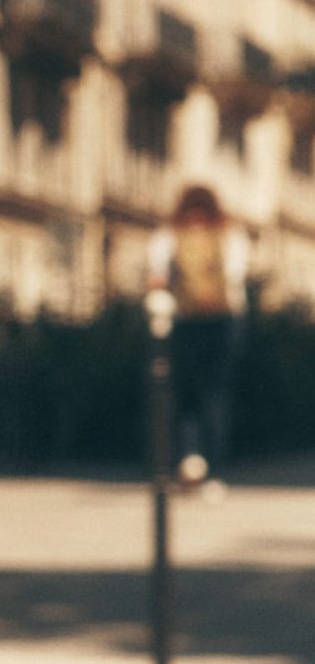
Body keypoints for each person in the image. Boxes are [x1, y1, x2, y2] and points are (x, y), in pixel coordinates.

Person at [147, 182, 249, 496]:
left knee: (181, 397)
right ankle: (213, 473)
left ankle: (186, 462)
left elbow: (157, 279)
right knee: (214, 398)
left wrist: (159, 314)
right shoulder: (231, 236)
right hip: (220, 324)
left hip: (182, 323)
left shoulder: (168, 236)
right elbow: (236, 281)